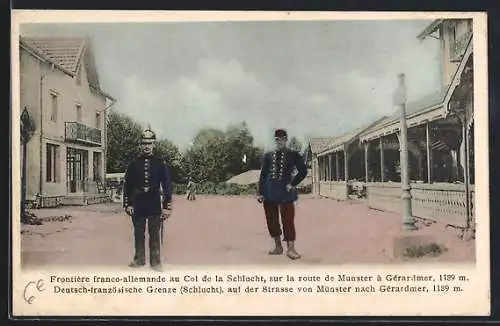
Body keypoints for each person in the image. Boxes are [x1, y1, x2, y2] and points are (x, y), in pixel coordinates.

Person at [123, 127, 173, 271]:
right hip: (138, 204)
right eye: (144, 143)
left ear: (154, 145)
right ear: (140, 144)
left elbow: (167, 186)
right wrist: (128, 204)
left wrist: (167, 206)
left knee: (154, 234)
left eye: (149, 143)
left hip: (154, 203)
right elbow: (128, 185)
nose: (146, 146)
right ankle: (139, 259)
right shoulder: (133, 164)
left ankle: (156, 262)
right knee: (139, 233)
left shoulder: (160, 164)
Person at [257, 128, 307, 260]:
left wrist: (292, 184)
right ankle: (278, 246)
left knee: (288, 220)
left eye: (282, 139)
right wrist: (260, 192)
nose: (280, 142)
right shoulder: (268, 156)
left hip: (286, 192)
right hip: (270, 192)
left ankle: (291, 249)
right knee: (271, 220)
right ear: (275, 141)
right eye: (277, 140)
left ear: (286, 140)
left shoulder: (293, 155)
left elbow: (303, 171)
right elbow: (263, 175)